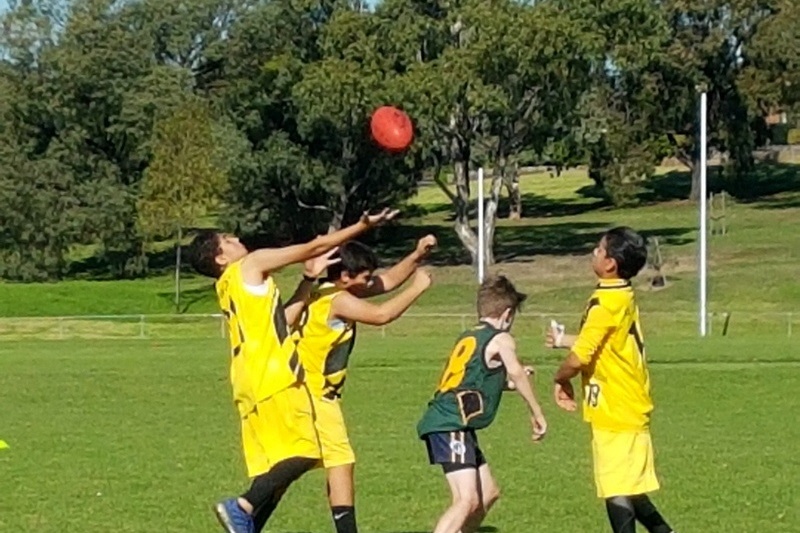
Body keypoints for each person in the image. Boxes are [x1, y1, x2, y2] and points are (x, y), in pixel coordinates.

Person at [187, 209, 397, 533]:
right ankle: (241, 506)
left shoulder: (229, 287)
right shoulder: (250, 265)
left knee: (277, 471)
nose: (237, 240)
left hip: (248, 383)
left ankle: (246, 522)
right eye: (228, 240)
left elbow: (282, 320)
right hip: (274, 377)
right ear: (220, 258)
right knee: (307, 451)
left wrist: (308, 280)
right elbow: (314, 247)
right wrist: (361, 226)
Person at [256, 235, 436, 533]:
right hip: (316, 394)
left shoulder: (322, 292)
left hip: (303, 391)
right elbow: (381, 314)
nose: (370, 283)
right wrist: (417, 287)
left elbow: (388, 281)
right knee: (340, 460)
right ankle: (247, 508)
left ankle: (249, 518)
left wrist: (417, 254)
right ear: (345, 277)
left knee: (298, 466)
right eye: (364, 278)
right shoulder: (337, 301)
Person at [549, 226, 676, 533]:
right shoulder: (620, 295)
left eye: (599, 249)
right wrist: (565, 339)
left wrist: (560, 378)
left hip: (617, 408)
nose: (594, 252)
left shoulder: (605, 303)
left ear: (610, 264)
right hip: (625, 404)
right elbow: (606, 343)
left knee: (615, 489)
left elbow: (581, 358)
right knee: (627, 485)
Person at [416, 275, 548, 533]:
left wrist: (506, 384)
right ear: (507, 314)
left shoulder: (470, 335)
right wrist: (537, 412)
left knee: (488, 493)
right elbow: (516, 372)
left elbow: (473, 381)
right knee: (466, 501)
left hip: (455, 424)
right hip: (450, 423)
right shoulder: (501, 338)